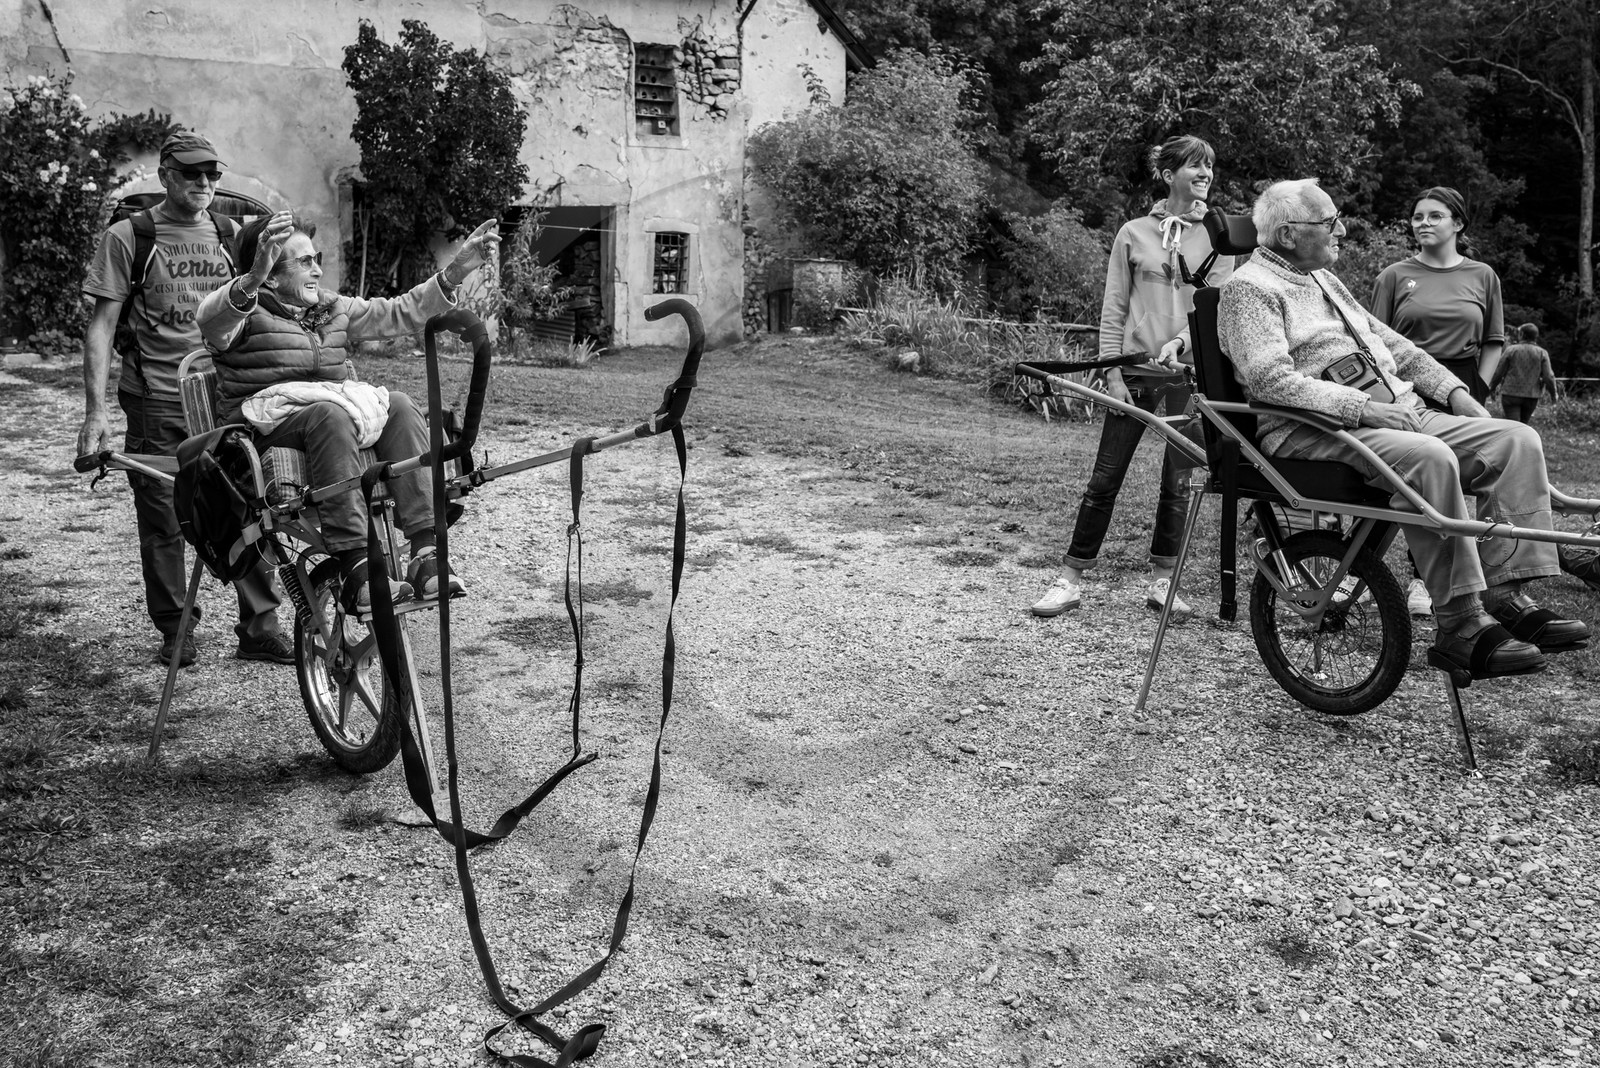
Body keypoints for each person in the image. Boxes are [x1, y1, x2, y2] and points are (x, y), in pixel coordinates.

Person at [1218, 178, 1588, 679]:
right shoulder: (1249, 289)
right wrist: (1362, 409)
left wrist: (1459, 396)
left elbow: (1400, 349)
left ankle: (1503, 592)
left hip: (1395, 410)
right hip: (1312, 426)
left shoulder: (1325, 278)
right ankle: (1460, 625)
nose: (1341, 230)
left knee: (1516, 439)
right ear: (1288, 234)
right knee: (1429, 457)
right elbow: (1270, 380)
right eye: (1329, 222)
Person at [196, 211, 500, 611]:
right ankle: (356, 568)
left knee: (400, 405)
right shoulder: (241, 315)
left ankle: (426, 556)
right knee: (330, 414)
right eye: (304, 262)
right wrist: (250, 280)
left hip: (327, 420)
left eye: (316, 258)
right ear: (269, 273)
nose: (317, 269)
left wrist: (456, 270)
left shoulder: (331, 307)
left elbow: (398, 312)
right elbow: (210, 319)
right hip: (266, 429)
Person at [76, 131, 289, 670]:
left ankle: (260, 628)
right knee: (164, 518)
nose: (203, 183)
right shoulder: (130, 237)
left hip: (228, 396)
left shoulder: (232, 233)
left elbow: (269, 302)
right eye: (191, 173)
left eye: (212, 174)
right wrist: (95, 411)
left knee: (252, 506)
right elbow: (101, 327)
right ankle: (176, 628)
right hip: (158, 399)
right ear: (165, 174)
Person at [1030, 135, 1234, 620]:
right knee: (1105, 479)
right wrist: (1112, 372)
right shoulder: (1133, 232)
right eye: (1194, 166)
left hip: (1190, 376)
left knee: (1178, 483)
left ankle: (1164, 582)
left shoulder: (1222, 237)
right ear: (1168, 175)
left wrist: (1182, 345)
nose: (1205, 174)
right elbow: (1114, 307)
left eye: (1209, 167)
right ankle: (1070, 579)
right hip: (1135, 372)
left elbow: (1218, 307)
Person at [1371, 186, 1507, 617]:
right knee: (1403, 476)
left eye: (1434, 216)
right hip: (1406, 384)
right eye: (1417, 217)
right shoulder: (1394, 275)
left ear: (1458, 224)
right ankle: (1376, 572)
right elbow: (1372, 340)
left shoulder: (1483, 275)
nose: (1423, 223)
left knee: (1463, 481)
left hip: (1463, 384)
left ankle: (1469, 580)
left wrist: (1476, 391)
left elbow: (1493, 342)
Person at [1490, 322, 1561, 424]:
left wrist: (1492, 388)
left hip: (1510, 394)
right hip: (1531, 396)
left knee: (1512, 424)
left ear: (1522, 334)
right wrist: (1554, 395)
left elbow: (1499, 372)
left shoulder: (1511, 350)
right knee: (1523, 425)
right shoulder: (1542, 353)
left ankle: (1512, 439)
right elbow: (1549, 376)